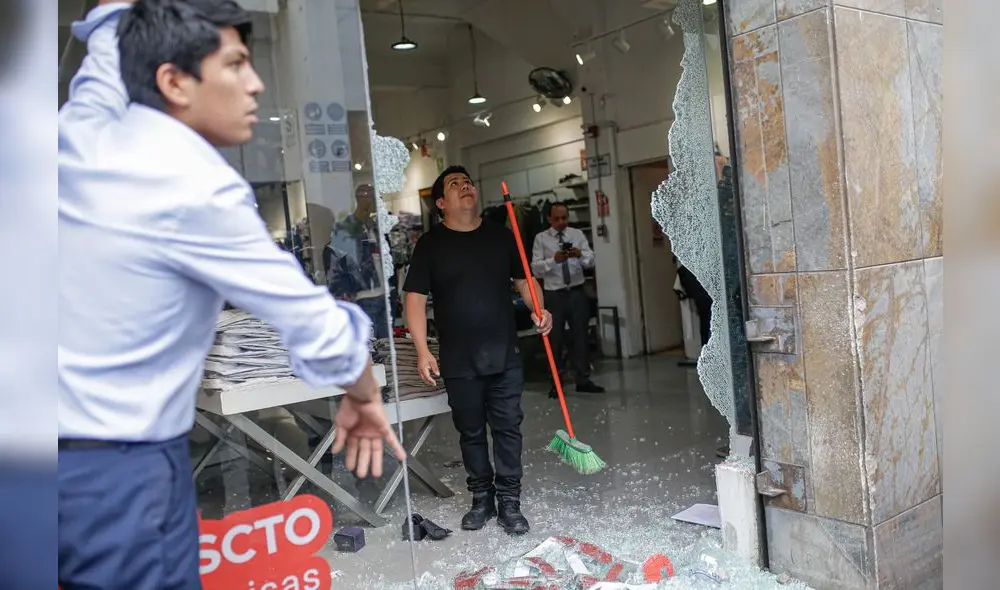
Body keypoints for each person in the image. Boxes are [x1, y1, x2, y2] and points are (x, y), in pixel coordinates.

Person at [57, 1, 405, 588]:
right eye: (236, 64)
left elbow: (109, 45)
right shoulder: (197, 187)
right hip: (120, 475)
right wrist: (365, 393)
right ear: (173, 80)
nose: (256, 83)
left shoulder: (80, 129)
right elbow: (312, 323)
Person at [403, 165, 552, 536]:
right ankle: (481, 499)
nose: (465, 186)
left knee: (507, 429)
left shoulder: (501, 237)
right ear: (441, 203)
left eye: (468, 181)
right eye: (454, 184)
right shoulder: (431, 244)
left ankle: (510, 502)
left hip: (504, 353)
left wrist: (539, 308)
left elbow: (524, 281)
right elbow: (415, 299)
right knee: (470, 432)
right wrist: (422, 350)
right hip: (458, 358)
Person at [531, 202, 606, 397]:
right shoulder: (541, 239)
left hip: (576, 291)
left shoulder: (577, 235)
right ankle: (556, 383)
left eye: (565, 218)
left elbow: (591, 260)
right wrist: (554, 259)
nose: (562, 222)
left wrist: (580, 255)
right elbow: (535, 268)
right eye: (557, 218)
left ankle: (583, 378)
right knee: (554, 339)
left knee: (580, 336)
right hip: (554, 295)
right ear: (549, 219)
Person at [325, 183, 389, 337]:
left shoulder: (376, 227)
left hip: (384, 294)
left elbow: (387, 258)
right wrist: (345, 291)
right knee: (368, 345)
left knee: (386, 347)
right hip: (363, 296)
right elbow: (335, 260)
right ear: (361, 199)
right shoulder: (347, 228)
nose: (374, 202)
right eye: (370, 198)